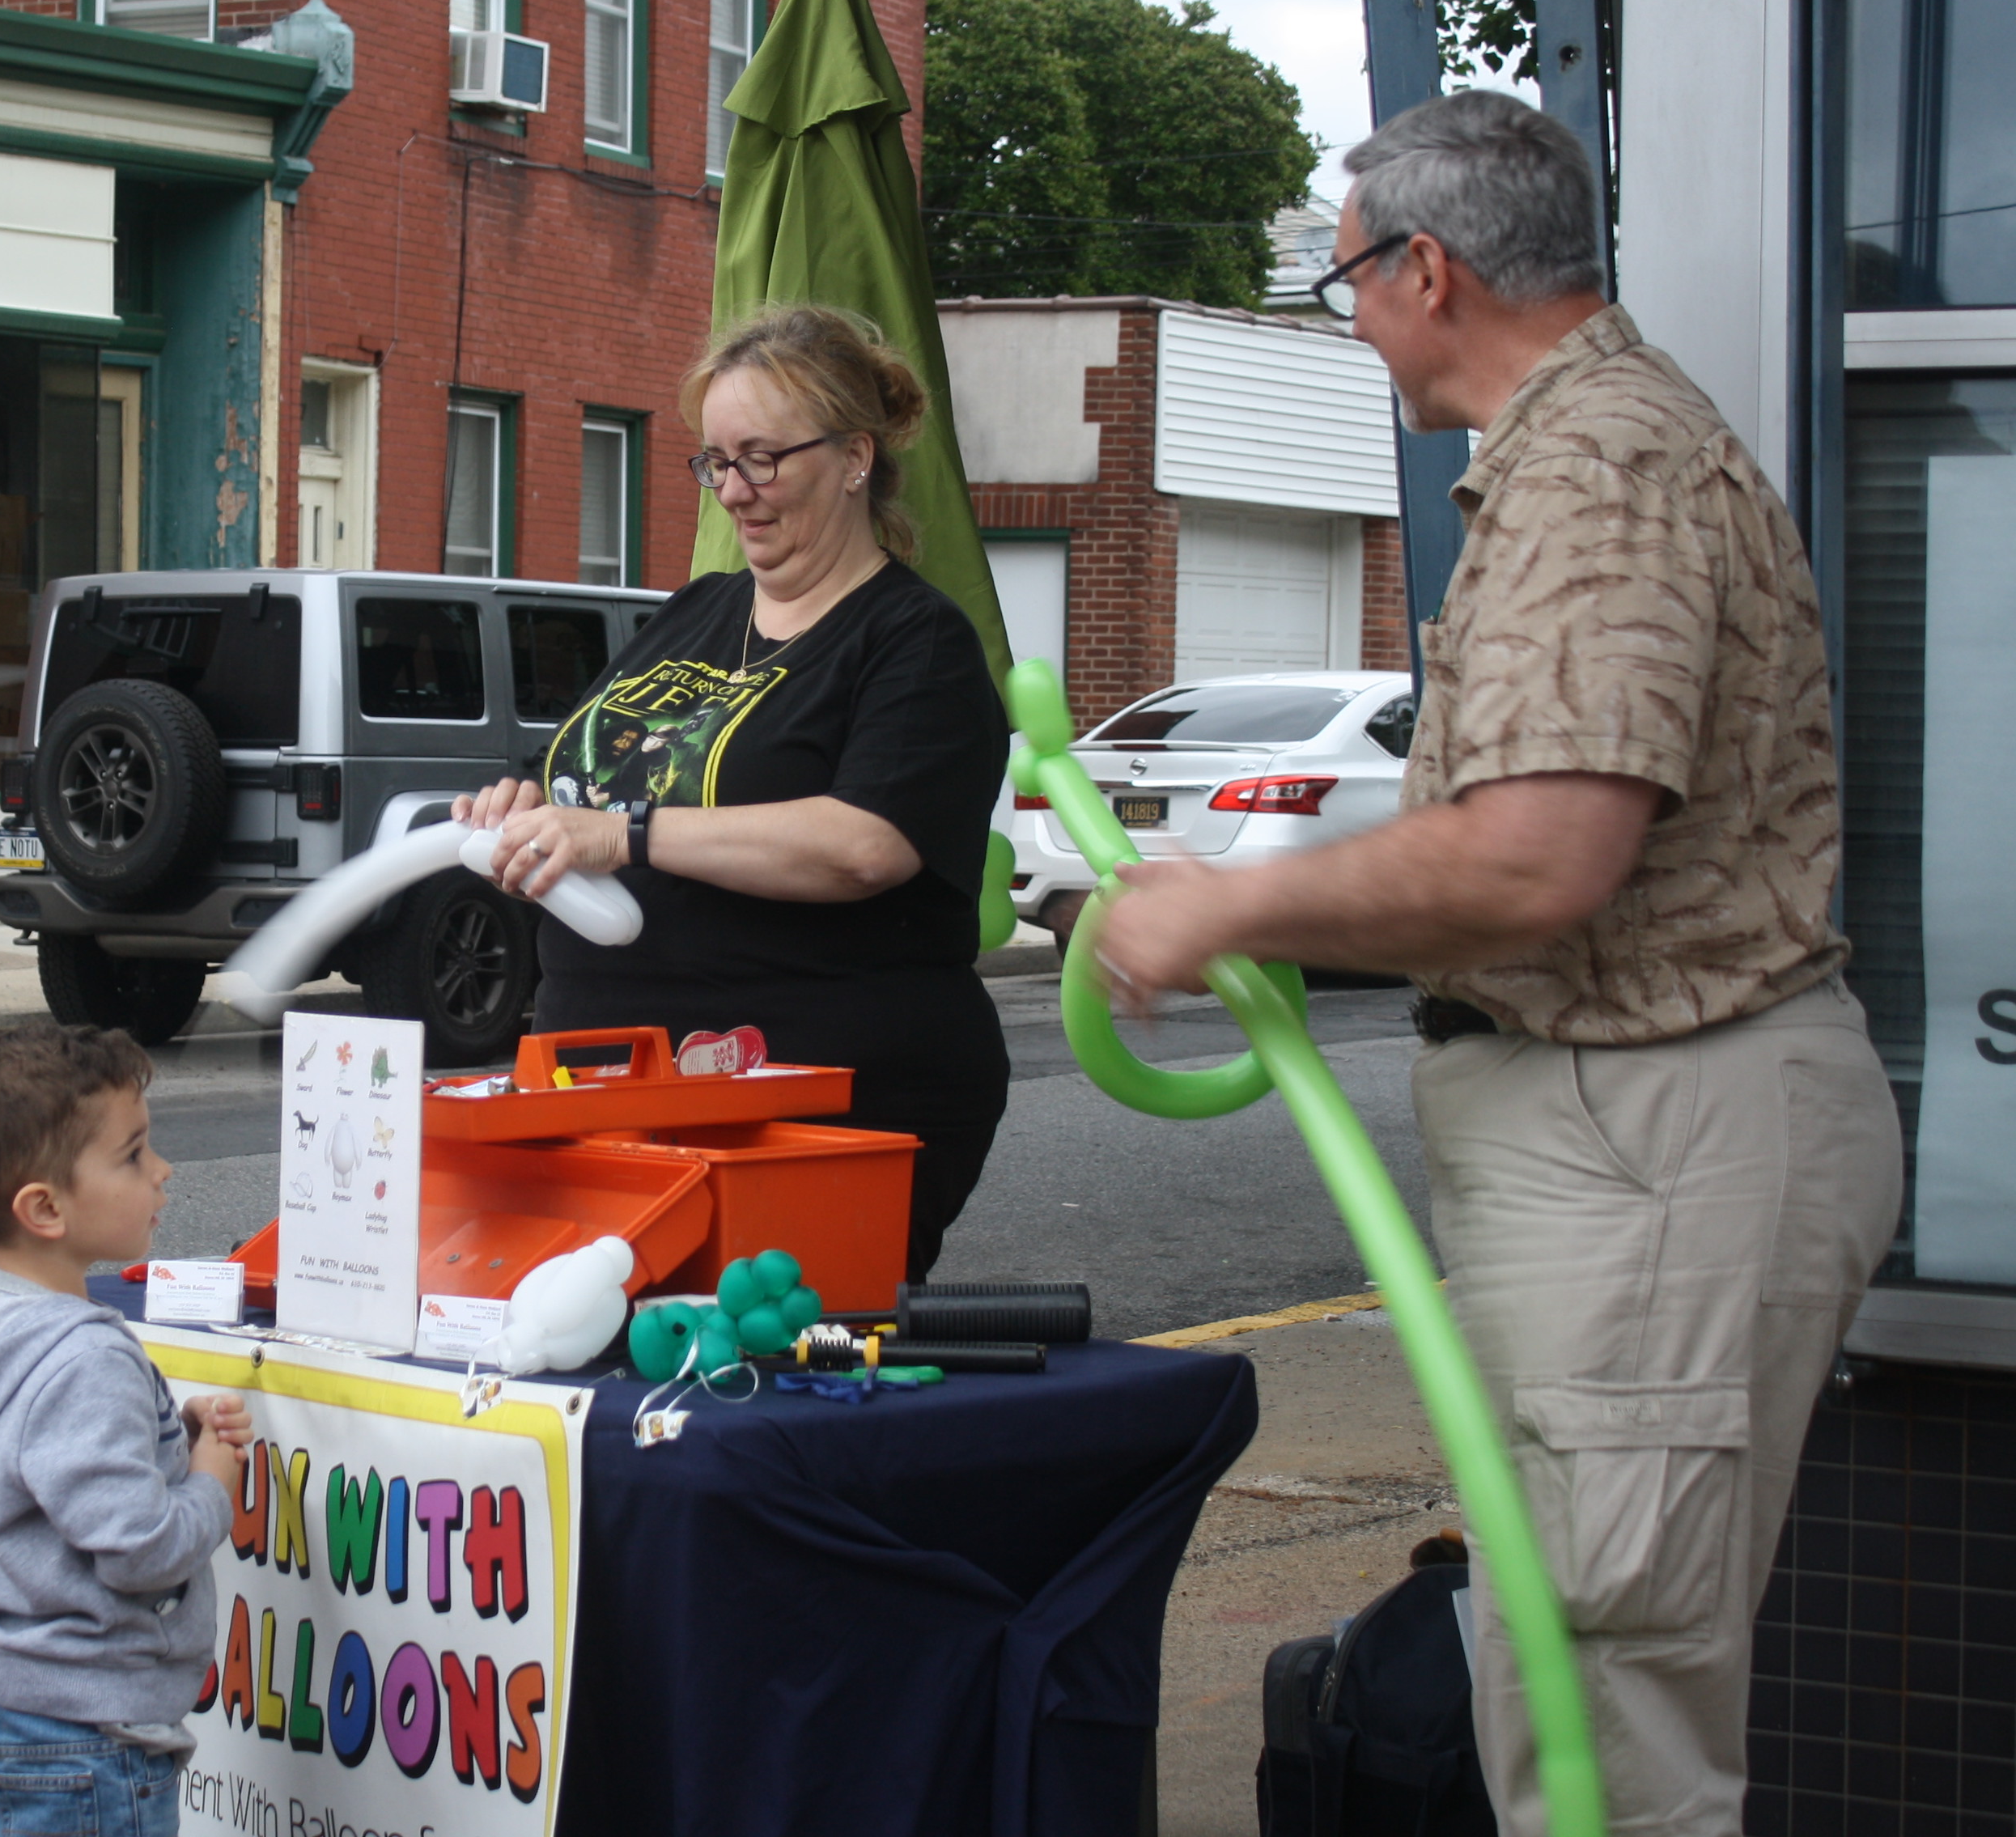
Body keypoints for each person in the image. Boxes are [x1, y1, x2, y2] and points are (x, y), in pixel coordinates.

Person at [1094, 91, 1902, 1835]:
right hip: (1630, 1140)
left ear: (1427, 270)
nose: (1353, 310)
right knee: (1570, 1697)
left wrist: (1219, 907)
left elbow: (1542, 852)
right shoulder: (1590, 446)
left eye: (1345, 275)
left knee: (1607, 1733)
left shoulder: (1597, 466)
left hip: (1655, 1138)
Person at [456, 306, 1013, 1282]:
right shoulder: (700, 609)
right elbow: (577, 779)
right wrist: (524, 813)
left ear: (853, 456)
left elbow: (864, 845)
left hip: (807, 1097)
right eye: (714, 462)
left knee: (750, 1369)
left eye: (762, 459)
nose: (734, 494)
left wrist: (621, 834)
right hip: (612, 1088)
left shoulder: (914, 642)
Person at [0, 1023, 257, 1837]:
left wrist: (174, 1426)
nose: (162, 1171)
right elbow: (141, 1550)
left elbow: (48, 1465)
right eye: (132, 1155)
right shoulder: (85, 1358)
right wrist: (212, 1479)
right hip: (91, 1740)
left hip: (8, 1706)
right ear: (46, 1207)